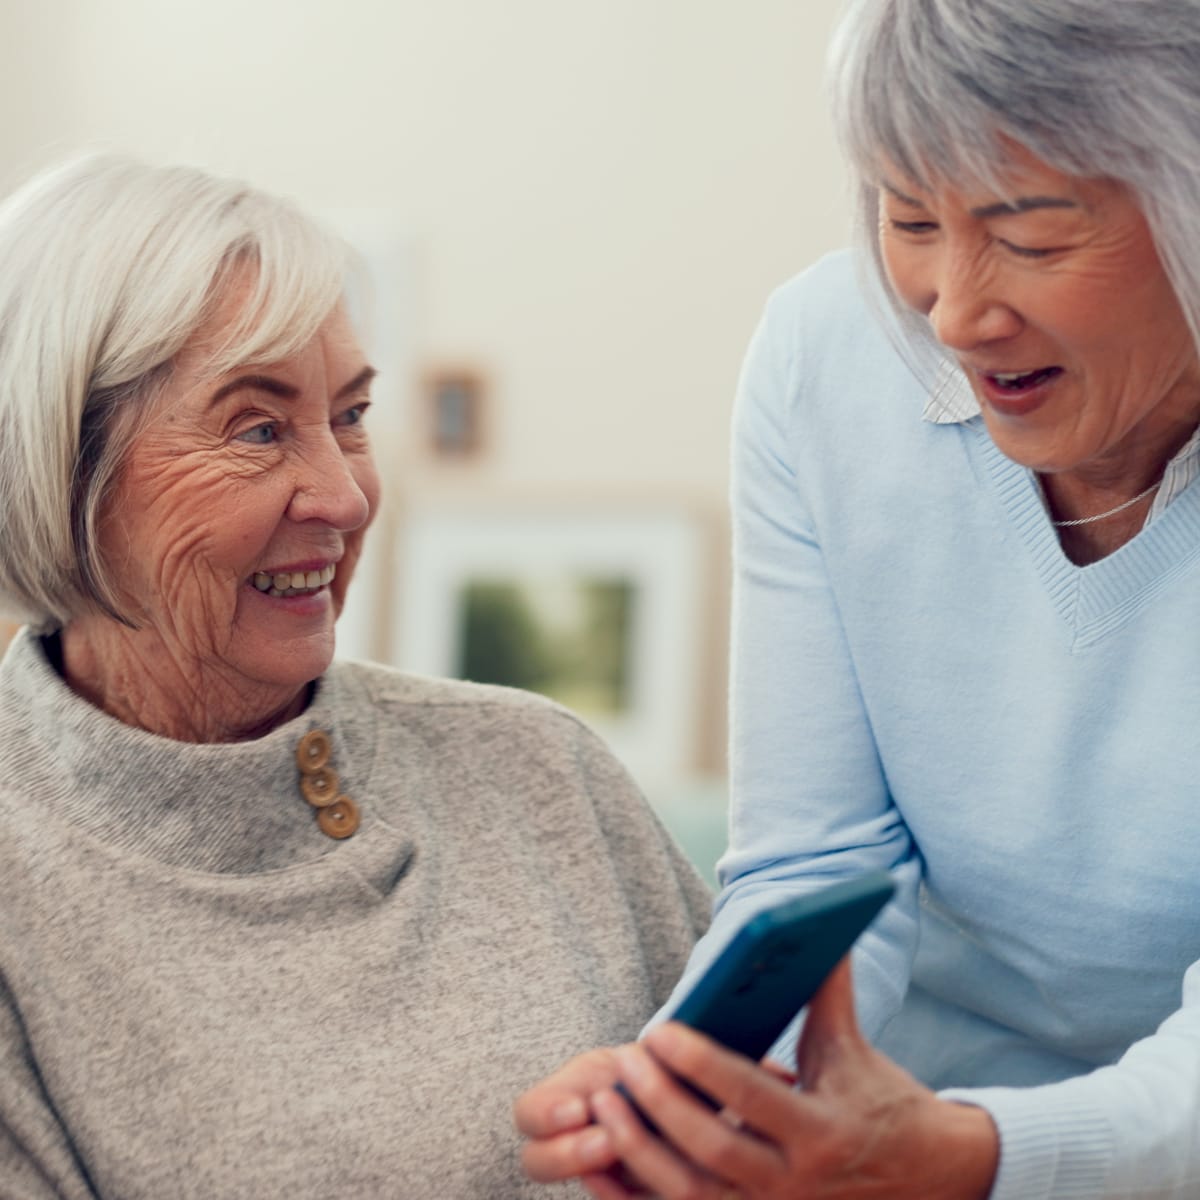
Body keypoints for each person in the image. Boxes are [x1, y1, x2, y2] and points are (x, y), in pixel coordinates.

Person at [514, 1, 1200, 1196]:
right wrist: (702, 1100)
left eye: (1030, 237)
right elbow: (815, 869)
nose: (954, 310)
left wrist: (981, 1156)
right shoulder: (827, 359)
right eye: (909, 217)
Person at [0, 153, 712, 1199]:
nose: (343, 496)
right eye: (258, 427)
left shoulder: (541, 769)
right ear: (63, 469)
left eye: (350, 416)